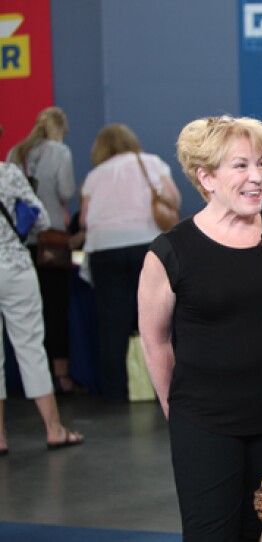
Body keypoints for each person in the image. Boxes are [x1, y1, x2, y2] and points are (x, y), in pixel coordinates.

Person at [138, 115, 262, 541]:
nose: (257, 177)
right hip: (205, 423)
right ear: (206, 177)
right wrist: (178, 414)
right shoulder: (171, 251)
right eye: (241, 165)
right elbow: (155, 341)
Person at [80, 124, 181, 403]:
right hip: (147, 245)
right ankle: (168, 387)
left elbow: (84, 219)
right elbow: (174, 199)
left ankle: (115, 393)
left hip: (105, 249)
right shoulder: (151, 163)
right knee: (159, 319)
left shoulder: (94, 175)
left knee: (111, 323)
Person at [1, 161, 84, 456]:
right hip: (15, 267)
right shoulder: (9, 173)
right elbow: (42, 218)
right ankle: (54, 429)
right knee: (31, 348)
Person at [6, 107, 77, 393]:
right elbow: (66, 192)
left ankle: (25, 380)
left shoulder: (15, 153)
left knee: (24, 318)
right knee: (56, 309)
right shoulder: (60, 152)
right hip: (52, 240)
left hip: (20, 243)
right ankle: (60, 376)